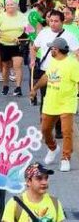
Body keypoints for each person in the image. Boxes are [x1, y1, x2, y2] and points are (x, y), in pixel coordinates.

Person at [33, 37, 79, 172]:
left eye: (52, 48)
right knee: (45, 130)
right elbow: (47, 77)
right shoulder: (52, 60)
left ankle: (65, 158)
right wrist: (35, 88)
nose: (50, 50)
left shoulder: (73, 64)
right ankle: (53, 148)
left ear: (57, 50)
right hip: (50, 102)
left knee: (66, 132)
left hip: (67, 102)